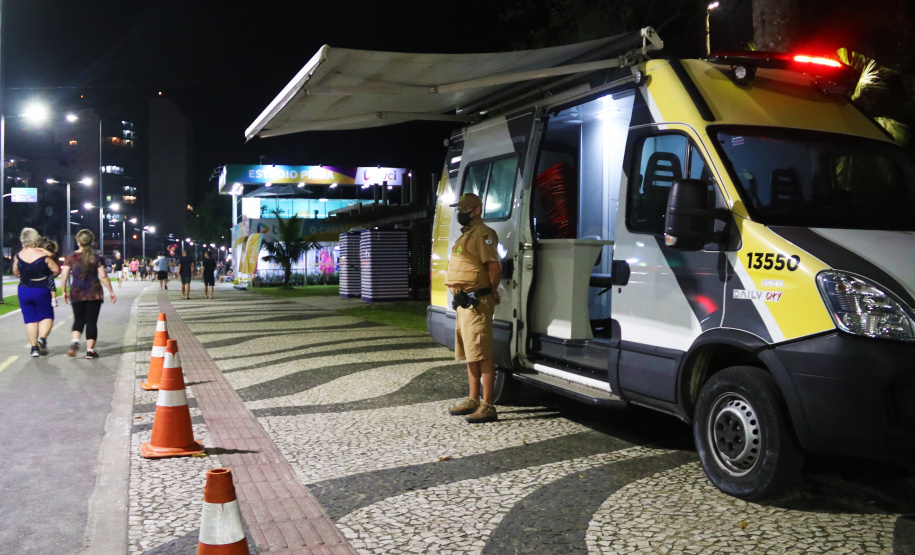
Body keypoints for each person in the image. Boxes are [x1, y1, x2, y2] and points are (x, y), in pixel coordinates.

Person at [444, 193, 502, 424]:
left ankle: (488, 405)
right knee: (471, 353)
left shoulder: (483, 234)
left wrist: (490, 292)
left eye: (464, 209)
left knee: (482, 353)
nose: (460, 213)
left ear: (477, 210)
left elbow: (494, 268)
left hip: (477, 302)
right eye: (459, 209)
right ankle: (473, 399)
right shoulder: (467, 234)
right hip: (464, 302)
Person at [60, 229, 117, 358]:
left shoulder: (71, 257)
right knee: (91, 321)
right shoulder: (96, 257)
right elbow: (103, 276)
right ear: (92, 242)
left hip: (76, 292)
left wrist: (63, 291)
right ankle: (90, 351)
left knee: (78, 319)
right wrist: (111, 291)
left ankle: (75, 342)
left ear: (78, 241)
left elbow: (64, 275)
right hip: (94, 293)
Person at [12, 228, 60, 357]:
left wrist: (25, 277)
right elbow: (56, 270)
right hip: (41, 289)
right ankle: (42, 339)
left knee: (30, 320)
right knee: (46, 316)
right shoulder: (43, 255)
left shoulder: (18, 256)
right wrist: (48, 275)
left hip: (24, 289)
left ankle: (34, 348)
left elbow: (16, 272)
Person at [38, 237, 60, 307]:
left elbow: (50, 255)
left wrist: (42, 250)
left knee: (51, 281)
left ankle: (54, 299)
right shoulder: (39, 254)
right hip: (40, 273)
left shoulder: (52, 255)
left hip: (48, 273)